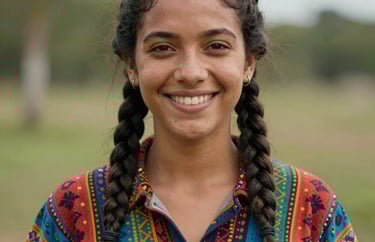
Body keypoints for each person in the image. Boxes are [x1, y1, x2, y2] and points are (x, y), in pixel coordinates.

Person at [27, 0, 358, 241]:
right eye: (162, 48)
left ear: (248, 63)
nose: (190, 73)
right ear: (132, 65)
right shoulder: (74, 208)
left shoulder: (310, 206)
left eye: (216, 46)